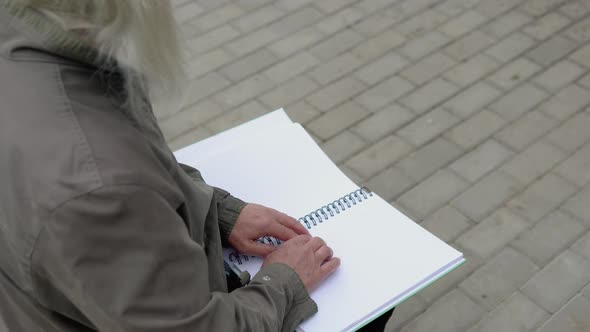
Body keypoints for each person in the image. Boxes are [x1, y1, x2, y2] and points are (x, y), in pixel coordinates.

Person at [0, 1, 342, 331]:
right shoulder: (101, 191)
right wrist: (282, 281)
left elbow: (114, 154)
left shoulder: (31, 36)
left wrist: (219, 211)